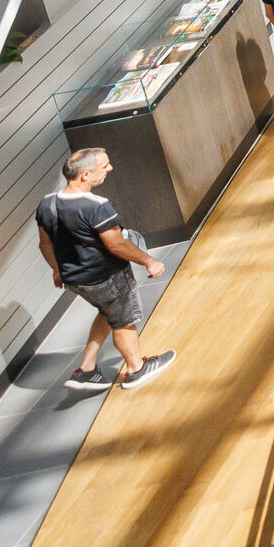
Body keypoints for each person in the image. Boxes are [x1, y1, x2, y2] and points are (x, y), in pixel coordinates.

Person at [35, 147, 174, 391]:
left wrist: (57, 269)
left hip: (76, 280)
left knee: (107, 312)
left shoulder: (47, 205)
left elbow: (44, 243)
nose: (109, 169)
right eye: (104, 166)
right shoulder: (96, 206)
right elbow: (116, 244)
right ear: (85, 176)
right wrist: (149, 261)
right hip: (107, 277)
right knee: (123, 320)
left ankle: (87, 370)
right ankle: (136, 369)